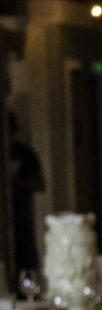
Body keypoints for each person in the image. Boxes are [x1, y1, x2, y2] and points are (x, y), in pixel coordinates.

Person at [8, 111, 45, 285]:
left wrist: (16, 182)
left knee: (26, 257)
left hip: (21, 214)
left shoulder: (24, 153)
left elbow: (41, 184)